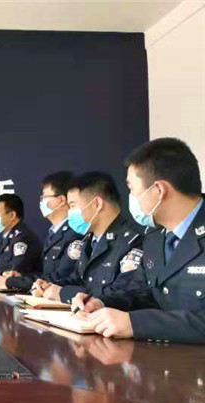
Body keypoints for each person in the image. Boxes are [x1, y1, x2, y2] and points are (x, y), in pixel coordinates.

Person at [72, 138, 205, 344]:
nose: (131, 198)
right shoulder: (154, 237)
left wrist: (136, 323)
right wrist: (101, 303)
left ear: (159, 190)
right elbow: (146, 293)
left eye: (132, 189)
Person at [33, 172, 147, 304]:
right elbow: (77, 279)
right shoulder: (89, 240)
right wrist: (49, 286)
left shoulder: (132, 240)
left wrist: (64, 293)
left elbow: (121, 293)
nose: (70, 213)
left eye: (73, 206)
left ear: (97, 204)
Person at [0, 172, 81, 291]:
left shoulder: (75, 233)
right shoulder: (54, 233)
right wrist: (20, 276)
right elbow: (44, 274)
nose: (41, 201)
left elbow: (61, 277)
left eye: (45, 197)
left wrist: (12, 282)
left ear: (61, 200)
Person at [0, 194, 42, 278]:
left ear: (12, 215)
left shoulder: (22, 238)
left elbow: (14, 272)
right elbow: (6, 267)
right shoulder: (9, 236)